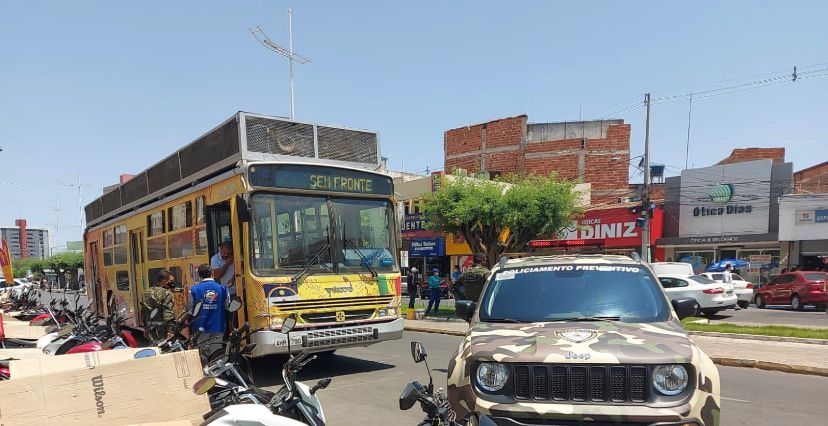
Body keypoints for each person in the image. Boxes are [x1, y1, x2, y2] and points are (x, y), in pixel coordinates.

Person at [190, 264, 229, 359]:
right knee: (216, 354)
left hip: (200, 327)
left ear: (199, 275)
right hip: (218, 325)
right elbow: (227, 306)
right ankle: (216, 372)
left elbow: (190, 310)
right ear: (212, 273)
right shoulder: (223, 289)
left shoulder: (194, 290)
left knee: (201, 355)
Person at [142, 269, 175, 342]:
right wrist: (170, 330)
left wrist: (145, 328)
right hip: (162, 326)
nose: (173, 283)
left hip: (150, 325)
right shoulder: (167, 293)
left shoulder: (146, 292)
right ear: (164, 282)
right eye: (171, 281)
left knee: (154, 346)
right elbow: (168, 312)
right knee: (164, 348)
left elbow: (143, 311)